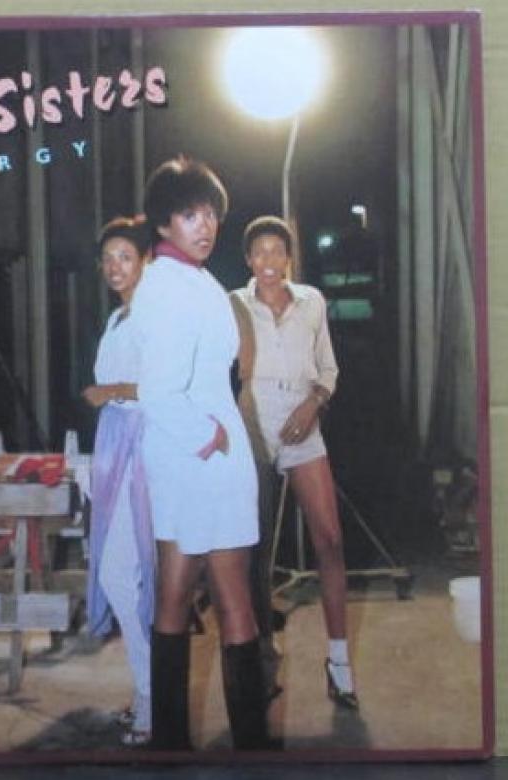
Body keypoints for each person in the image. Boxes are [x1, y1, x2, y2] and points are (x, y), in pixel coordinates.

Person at [131, 156, 267, 751]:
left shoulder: (187, 278)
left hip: (184, 455)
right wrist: (209, 435)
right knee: (235, 599)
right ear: (163, 222)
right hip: (203, 453)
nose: (204, 225)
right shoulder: (168, 286)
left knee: (175, 592)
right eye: (189, 214)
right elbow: (158, 390)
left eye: (210, 213)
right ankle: (252, 750)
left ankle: (169, 745)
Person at [230, 215, 359, 709]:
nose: (268, 260)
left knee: (330, 538)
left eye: (276, 250)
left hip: (304, 418)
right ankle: (262, 660)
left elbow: (328, 368)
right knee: (255, 552)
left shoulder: (312, 301)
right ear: (248, 259)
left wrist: (314, 404)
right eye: (259, 251)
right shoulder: (232, 303)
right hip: (254, 420)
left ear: (288, 258)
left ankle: (339, 664)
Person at [83, 216, 155, 746]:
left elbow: (166, 385)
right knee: (121, 573)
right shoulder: (116, 318)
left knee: (123, 573)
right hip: (114, 444)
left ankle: (153, 699)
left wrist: (110, 392)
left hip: (143, 445)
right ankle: (148, 692)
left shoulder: (154, 316)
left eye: (125, 256)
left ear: (146, 260)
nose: (115, 267)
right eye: (108, 259)